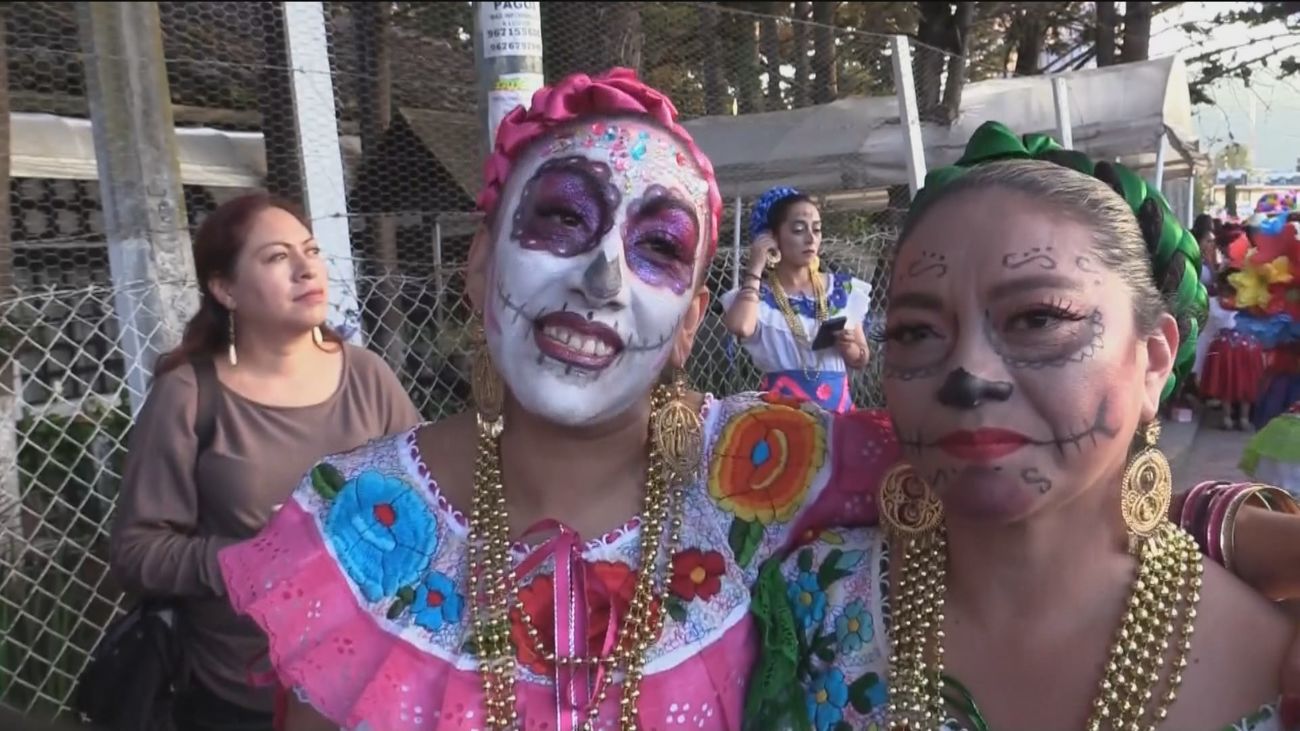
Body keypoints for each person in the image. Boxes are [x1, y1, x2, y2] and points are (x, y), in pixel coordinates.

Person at [217, 77, 1300, 731]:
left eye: (654, 249)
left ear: (691, 320)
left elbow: (1017, 476)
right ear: (473, 269)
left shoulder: (772, 465)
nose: (600, 280)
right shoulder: (350, 521)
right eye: (559, 221)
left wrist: (1229, 526)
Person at [746, 123, 1300, 731]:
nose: (966, 374)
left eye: (1037, 318)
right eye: (915, 331)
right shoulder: (806, 608)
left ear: (1155, 359)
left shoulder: (1271, 671)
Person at [108, 193, 423, 731]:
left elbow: (430, 513)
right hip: (239, 697)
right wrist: (250, 562)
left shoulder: (369, 377)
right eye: (277, 258)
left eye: (311, 250)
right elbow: (137, 553)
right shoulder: (188, 396)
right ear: (225, 289)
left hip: (372, 691)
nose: (306, 269)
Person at [721, 187, 873, 413]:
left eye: (817, 229)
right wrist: (755, 267)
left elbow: (861, 359)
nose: (811, 238)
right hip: (782, 422)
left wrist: (850, 347)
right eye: (799, 230)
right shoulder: (756, 298)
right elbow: (741, 326)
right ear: (773, 237)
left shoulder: (842, 289)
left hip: (839, 417)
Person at [1200, 273, 1265, 430]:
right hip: (1249, 345)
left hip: (1224, 345)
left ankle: (1227, 418)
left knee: (1226, 381)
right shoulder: (1253, 302)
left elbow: (1208, 328)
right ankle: (1243, 418)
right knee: (1247, 382)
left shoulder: (1214, 303)